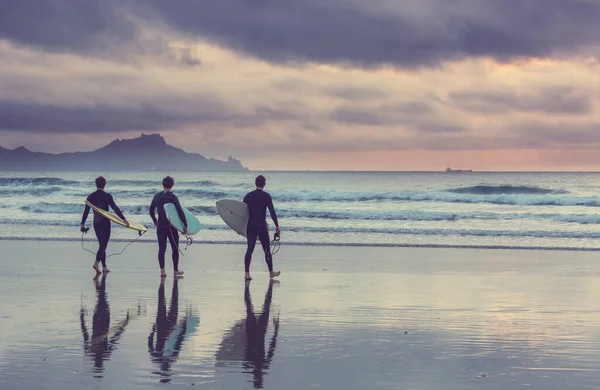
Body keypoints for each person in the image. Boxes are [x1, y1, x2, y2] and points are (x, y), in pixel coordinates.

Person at [80, 176, 129, 274]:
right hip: (105, 223)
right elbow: (115, 208)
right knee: (103, 245)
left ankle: (104, 267)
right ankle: (96, 263)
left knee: (102, 245)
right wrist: (124, 219)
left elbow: (86, 212)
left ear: (96, 184)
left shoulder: (91, 196)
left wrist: (82, 224)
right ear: (105, 184)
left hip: (96, 223)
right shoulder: (107, 196)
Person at [243, 175, 281, 280]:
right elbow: (272, 212)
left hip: (250, 226)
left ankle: (247, 274)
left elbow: (243, 213)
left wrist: (242, 227)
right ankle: (270, 272)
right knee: (267, 250)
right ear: (264, 184)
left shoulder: (247, 196)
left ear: (255, 183)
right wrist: (277, 226)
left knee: (249, 250)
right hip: (261, 226)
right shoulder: (266, 196)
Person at [149, 176, 187, 278]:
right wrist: (185, 225)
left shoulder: (156, 196)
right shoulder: (173, 198)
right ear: (172, 185)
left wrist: (155, 220)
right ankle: (175, 270)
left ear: (163, 184)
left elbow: (151, 210)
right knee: (175, 248)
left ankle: (162, 271)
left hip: (161, 226)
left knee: (162, 249)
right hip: (171, 227)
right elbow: (179, 211)